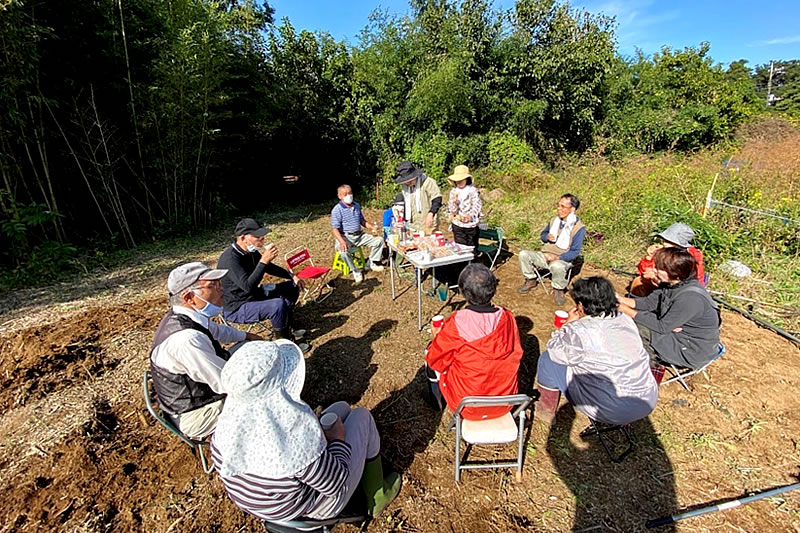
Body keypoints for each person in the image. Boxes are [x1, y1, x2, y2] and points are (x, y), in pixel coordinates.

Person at [211, 340, 402, 522]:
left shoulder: (224, 428)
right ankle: (378, 496)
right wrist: (337, 441)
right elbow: (335, 482)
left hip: (262, 504)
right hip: (307, 509)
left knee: (341, 408)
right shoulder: (294, 439)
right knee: (362, 417)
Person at [150, 262, 263, 439]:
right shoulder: (186, 340)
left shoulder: (185, 316)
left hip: (200, 392)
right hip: (197, 413)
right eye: (212, 286)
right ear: (189, 297)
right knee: (262, 401)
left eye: (219, 284)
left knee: (250, 348)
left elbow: (218, 330)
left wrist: (247, 336)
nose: (221, 290)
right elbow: (226, 383)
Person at [534, 276, 658, 426]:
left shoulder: (579, 331)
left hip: (610, 409)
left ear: (580, 305)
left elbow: (556, 351)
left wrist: (567, 325)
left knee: (548, 359)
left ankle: (545, 411)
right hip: (646, 400)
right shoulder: (624, 319)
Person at [423, 264, 523, 420]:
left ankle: (435, 401)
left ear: (463, 292)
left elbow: (437, 360)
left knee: (429, 353)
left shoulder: (458, 322)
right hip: (505, 401)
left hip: (467, 405)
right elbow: (516, 352)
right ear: (493, 289)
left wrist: (438, 337)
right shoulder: (507, 317)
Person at [617, 247, 721, 373]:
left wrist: (623, 309)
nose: (654, 270)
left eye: (659, 268)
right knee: (633, 319)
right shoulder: (672, 285)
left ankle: (647, 370)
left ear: (674, 273)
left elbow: (661, 326)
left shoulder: (690, 298)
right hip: (677, 334)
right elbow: (648, 303)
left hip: (690, 348)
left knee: (635, 327)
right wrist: (618, 299)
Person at [217, 218, 309, 352]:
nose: (262, 241)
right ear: (244, 238)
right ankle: (286, 346)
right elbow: (248, 286)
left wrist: (292, 276)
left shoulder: (251, 251)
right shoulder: (231, 259)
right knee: (277, 305)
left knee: (292, 287)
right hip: (237, 306)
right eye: (258, 237)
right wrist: (264, 260)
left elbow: (268, 268)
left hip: (253, 295)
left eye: (263, 237)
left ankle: (287, 327)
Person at [517, 194, 586, 305]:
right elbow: (543, 235)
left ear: (572, 209)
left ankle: (558, 289)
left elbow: (575, 252)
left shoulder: (579, 228)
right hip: (544, 254)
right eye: (558, 205)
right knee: (523, 254)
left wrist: (558, 257)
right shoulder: (554, 220)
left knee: (557, 266)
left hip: (562, 259)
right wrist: (546, 237)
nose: (559, 209)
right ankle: (531, 279)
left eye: (563, 206)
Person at [629, 222, 705, 297]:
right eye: (665, 240)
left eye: (670, 241)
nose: (665, 243)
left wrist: (657, 279)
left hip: (680, 293)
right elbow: (643, 271)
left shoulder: (691, 259)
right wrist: (649, 258)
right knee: (639, 281)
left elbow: (693, 285)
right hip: (663, 285)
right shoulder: (664, 251)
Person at [331, 184, 385, 285]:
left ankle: (371, 262)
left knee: (379, 241)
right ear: (340, 196)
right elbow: (335, 229)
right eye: (345, 194)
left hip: (359, 235)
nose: (348, 196)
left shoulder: (356, 205)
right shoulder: (337, 210)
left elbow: (362, 221)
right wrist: (342, 242)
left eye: (350, 193)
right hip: (345, 236)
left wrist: (371, 227)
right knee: (343, 252)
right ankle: (355, 271)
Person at [395, 161, 443, 232]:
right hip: (413, 225)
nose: (408, 184)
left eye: (410, 181)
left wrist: (431, 214)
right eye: (406, 182)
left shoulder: (428, 182)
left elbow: (437, 199)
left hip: (428, 224)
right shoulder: (406, 187)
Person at [447, 164, 482, 249]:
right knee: (460, 248)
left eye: (461, 179)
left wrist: (470, 216)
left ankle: (473, 262)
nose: (459, 182)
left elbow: (477, 206)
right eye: (457, 180)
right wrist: (454, 202)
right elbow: (452, 211)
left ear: (466, 179)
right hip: (458, 224)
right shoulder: (454, 191)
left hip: (471, 225)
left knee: (472, 248)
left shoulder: (473, 190)